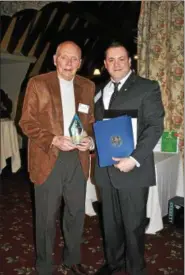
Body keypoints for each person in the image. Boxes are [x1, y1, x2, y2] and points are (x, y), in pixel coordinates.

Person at [19, 41, 95, 275]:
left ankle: (72, 259)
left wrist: (90, 141)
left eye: (74, 59)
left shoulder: (88, 86)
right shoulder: (38, 83)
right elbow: (26, 123)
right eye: (64, 57)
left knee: (75, 213)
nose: (69, 63)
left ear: (80, 63)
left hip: (78, 159)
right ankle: (44, 266)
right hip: (48, 156)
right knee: (46, 216)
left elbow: (90, 121)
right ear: (55, 59)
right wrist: (53, 139)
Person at [94, 42, 165, 275]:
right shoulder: (100, 91)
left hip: (133, 170)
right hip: (106, 170)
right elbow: (100, 128)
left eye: (121, 59)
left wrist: (133, 159)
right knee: (110, 225)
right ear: (105, 64)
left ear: (129, 62)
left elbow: (155, 127)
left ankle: (135, 269)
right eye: (111, 60)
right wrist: (91, 141)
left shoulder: (147, 87)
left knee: (133, 226)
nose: (116, 64)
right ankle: (113, 264)